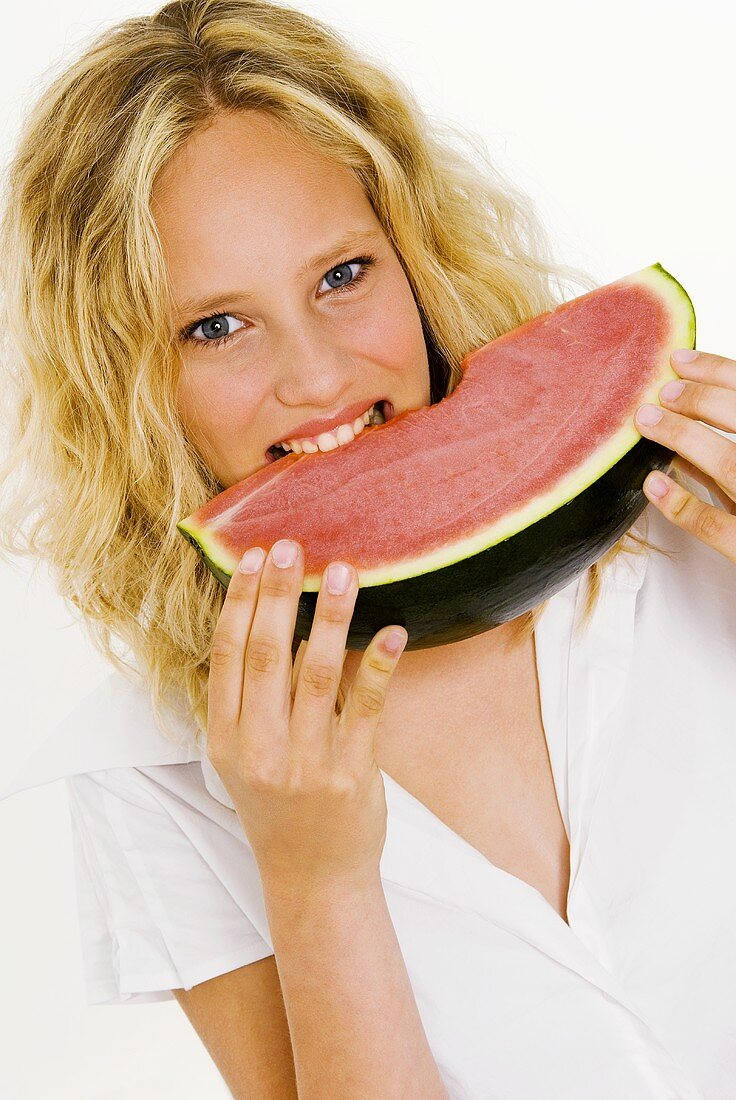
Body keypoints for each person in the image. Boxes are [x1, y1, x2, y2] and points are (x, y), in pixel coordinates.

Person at [1, 1, 735, 1096]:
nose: (319, 377)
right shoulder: (156, 774)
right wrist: (313, 875)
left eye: (342, 275)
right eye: (215, 325)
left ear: (414, 252)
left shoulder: (686, 526)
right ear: (127, 388)